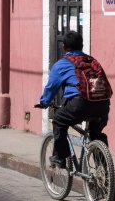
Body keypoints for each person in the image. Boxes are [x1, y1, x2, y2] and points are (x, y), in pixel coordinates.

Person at [35, 31, 110, 168]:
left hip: (79, 104)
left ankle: (60, 158)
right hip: (103, 105)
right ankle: (105, 173)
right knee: (96, 133)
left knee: (58, 119)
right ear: (82, 46)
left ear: (64, 47)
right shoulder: (92, 61)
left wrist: (44, 103)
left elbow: (51, 88)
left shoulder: (61, 65)